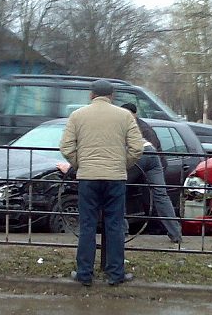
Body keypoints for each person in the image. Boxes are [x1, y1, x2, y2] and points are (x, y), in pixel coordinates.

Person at [59, 79, 144, 287]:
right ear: (112, 95)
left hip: (88, 177)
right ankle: (115, 273)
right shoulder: (124, 116)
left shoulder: (77, 115)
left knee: (87, 225)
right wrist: (122, 165)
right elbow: (137, 148)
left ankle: (84, 273)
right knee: (114, 225)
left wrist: (81, 164)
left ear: (91, 95)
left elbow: (66, 147)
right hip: (115, 178)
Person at [120, 103, 182, 244]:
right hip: (151, 154)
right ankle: (175, 232)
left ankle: (122, 231)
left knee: (118, 189)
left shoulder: (119, 122)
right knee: (161, 194)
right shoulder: (142, 125)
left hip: (138, 155)